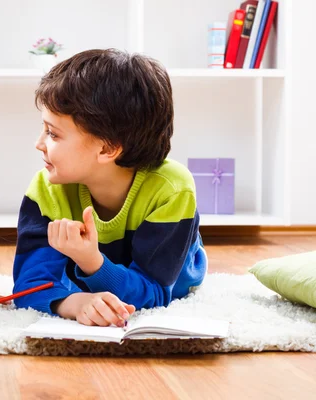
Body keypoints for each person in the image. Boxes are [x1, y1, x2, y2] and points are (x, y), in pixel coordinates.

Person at [12, 49, 207, 326]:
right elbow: (29, 286)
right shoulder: (47, 188)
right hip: (98, 273)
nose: (39, 143)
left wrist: (92, 261)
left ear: (107, 148)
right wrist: (72, 303)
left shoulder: (171, 190)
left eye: (53, 133)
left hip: (170, 280)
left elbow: (155, 293)